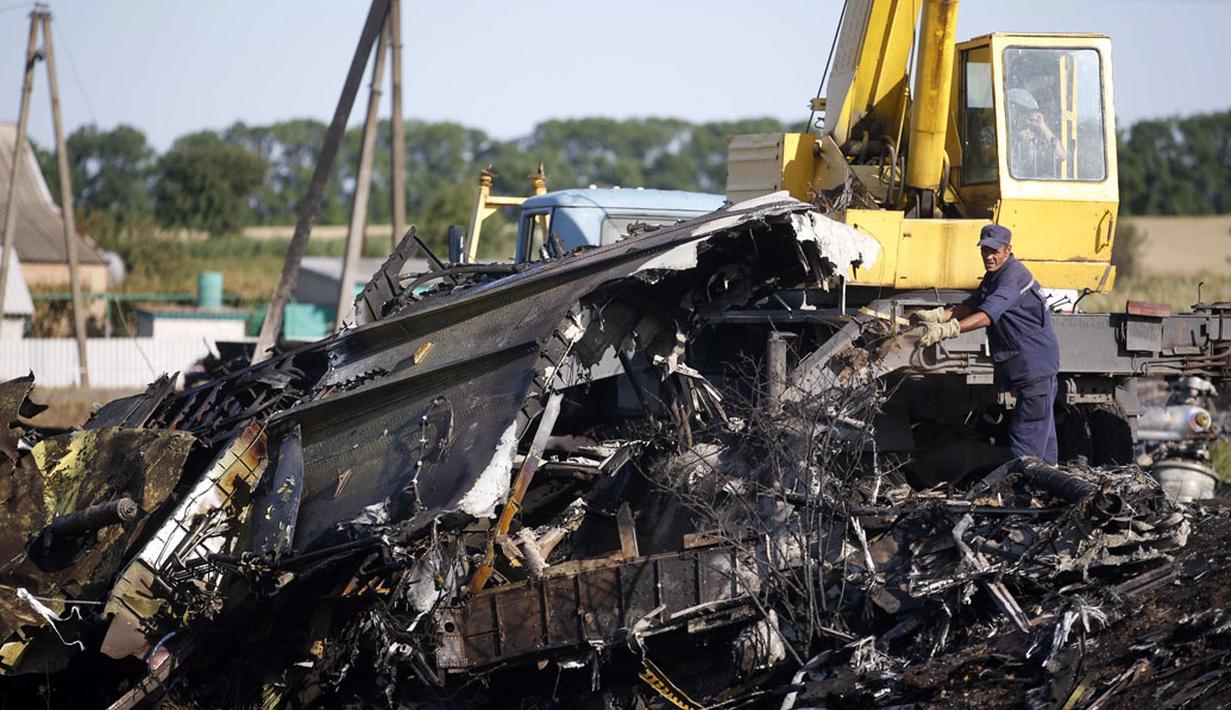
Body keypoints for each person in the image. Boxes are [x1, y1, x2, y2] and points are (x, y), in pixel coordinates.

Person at [913, 224, 1061, 462]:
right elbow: (971, 306)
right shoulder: (995, 276)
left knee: (1025, 441)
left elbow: (986, 315)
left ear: (1008, 250)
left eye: (994, 251)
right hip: (1031, 369)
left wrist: (950, 329)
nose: (988, 257)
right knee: (1043, 439)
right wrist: (939, 315)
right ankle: (1050, 491)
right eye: (985, 251)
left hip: (1033, 369)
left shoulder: (1013, 277)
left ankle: (1024, 497)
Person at [1006, 88, 1065, 179]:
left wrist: (1042, 125)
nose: (1023, 115)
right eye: (1021, 111)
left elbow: (1061, 155)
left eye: (1027, 112)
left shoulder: (1035, 136)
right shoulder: (1000, 132)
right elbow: (987, 157)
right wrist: (1015, 138)